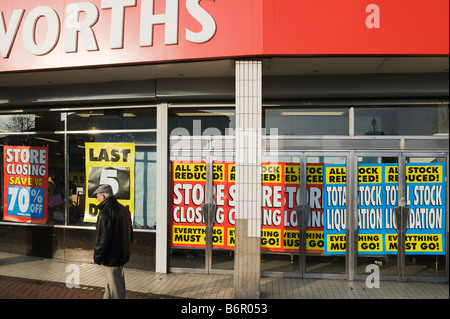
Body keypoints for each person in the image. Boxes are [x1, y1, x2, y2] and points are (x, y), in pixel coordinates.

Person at [93, 184, 133, 299]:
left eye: (98, 196)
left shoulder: (105, 213)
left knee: (116, 287)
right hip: (121, 254)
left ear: (104, 196)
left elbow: (103, 237)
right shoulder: (123, 209)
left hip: (111, 257)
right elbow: (130, 233)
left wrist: (98, 255)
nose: (97, 199)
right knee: (111, 284)